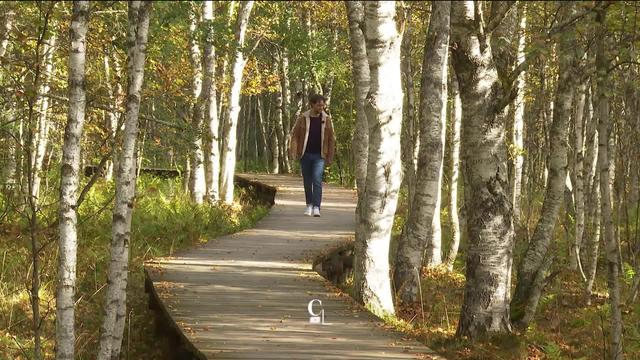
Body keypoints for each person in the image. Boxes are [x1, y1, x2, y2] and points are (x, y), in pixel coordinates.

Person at [289, 94, 336, 217]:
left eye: (323, 105)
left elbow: (331, 139)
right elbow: (295, 136)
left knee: (317, 179)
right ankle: (309, 205)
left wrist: (330, 156)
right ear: (312, 104)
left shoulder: (327, 119)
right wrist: (293, 151)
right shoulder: (303, 118)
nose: (321, 107)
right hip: (305, 154)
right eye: (319, 105)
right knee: (307, 181)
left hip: (320, 155)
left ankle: (316, 207)